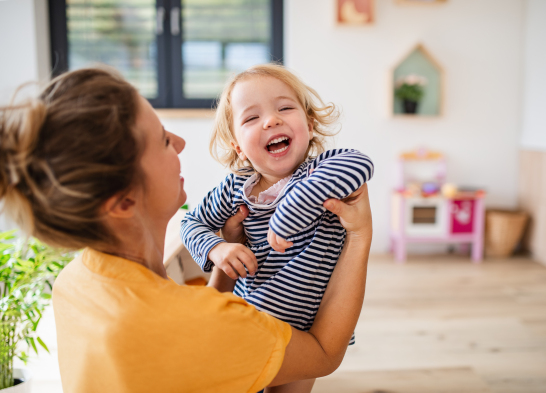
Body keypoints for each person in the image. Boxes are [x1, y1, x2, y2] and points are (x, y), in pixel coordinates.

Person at [0, 67, 373, 393]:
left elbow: (208, 324)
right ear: (124, 201)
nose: (180, 142)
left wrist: (228, 254)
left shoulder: (74, 283)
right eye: (163, 140)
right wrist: (360, 236)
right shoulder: (203, 325)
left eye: (284, 108)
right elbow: (321, 353)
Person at [181, 64, 374, 392]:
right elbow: (190, 222)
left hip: (311, 328)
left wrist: (294, 206)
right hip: (251, 317)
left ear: (310, 126)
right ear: (238, 146)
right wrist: (218, 247)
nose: (271, 120)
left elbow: (360, 163)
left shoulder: (321, 172)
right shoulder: (235, 188)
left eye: (285, 108)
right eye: (251, 118)